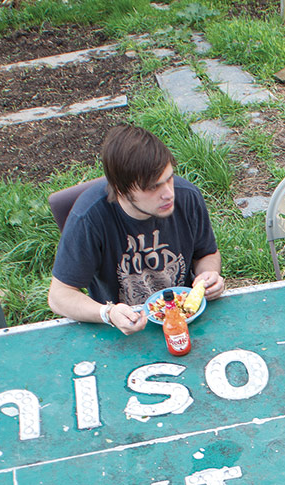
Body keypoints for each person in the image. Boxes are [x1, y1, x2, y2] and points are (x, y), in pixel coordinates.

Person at [48, 123, 225, 334]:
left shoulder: (187, 196)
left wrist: (209, 276)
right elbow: (59, 296)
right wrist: (108, 313)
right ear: (122, 190)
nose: (169, 193)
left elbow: (207, 253)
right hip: (123, 328)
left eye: (169, 178)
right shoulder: (89, 217)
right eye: (153, 187)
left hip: (185, 318)